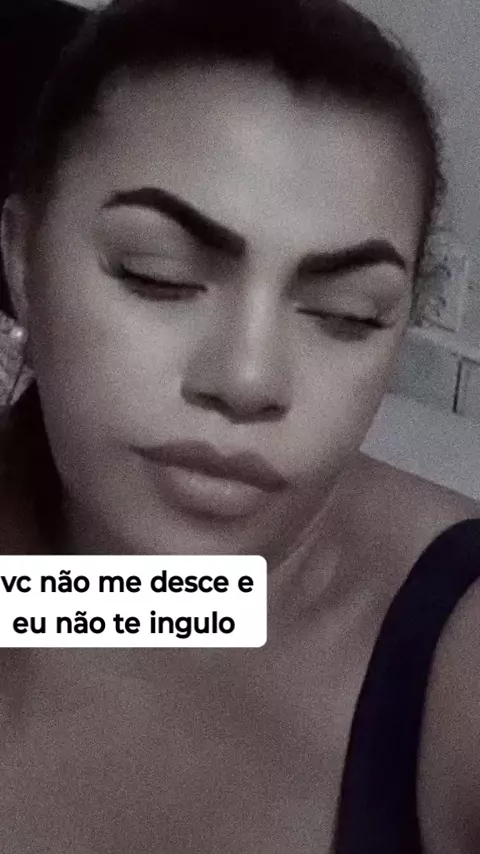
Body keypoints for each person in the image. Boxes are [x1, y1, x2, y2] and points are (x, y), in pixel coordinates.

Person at [0, 0, 479, 851]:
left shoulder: (456, 650)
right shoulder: (67, 594)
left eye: (348, 313)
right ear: (21, 258)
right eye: (157, 274)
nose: (249, 380)